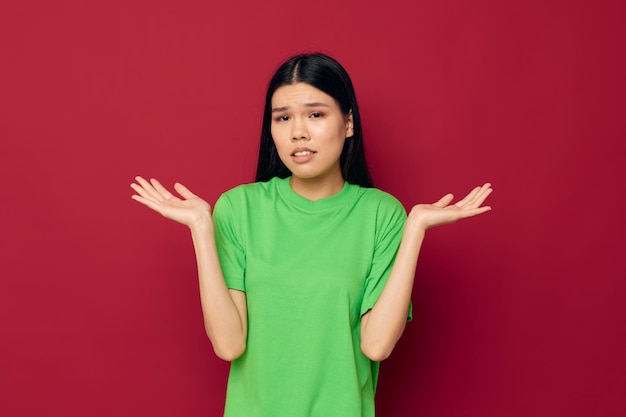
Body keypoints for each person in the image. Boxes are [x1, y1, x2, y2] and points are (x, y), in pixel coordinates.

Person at [130, 53, 492, 417]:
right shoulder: (239, 208)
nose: (297, 132)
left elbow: (377, 345)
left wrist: (414, 229)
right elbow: (229, 345)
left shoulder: (381, 214)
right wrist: (201, 228)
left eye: (315, 114)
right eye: (283, 118)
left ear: (348, 123)